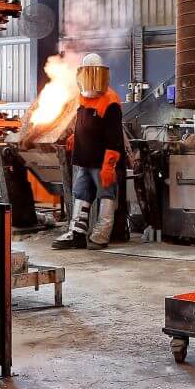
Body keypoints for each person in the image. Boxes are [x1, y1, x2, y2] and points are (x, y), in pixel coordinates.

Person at [53, 54, 128, 250]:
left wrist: (109, 165)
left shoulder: (110, 101)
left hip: (103, 161)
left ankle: (101, 234)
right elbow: (83, 122)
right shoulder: (82, 97)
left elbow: (114, 138)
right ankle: (77, 232)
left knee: (106, 195)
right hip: (85, 158)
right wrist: (75, 138)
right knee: (81, 194)